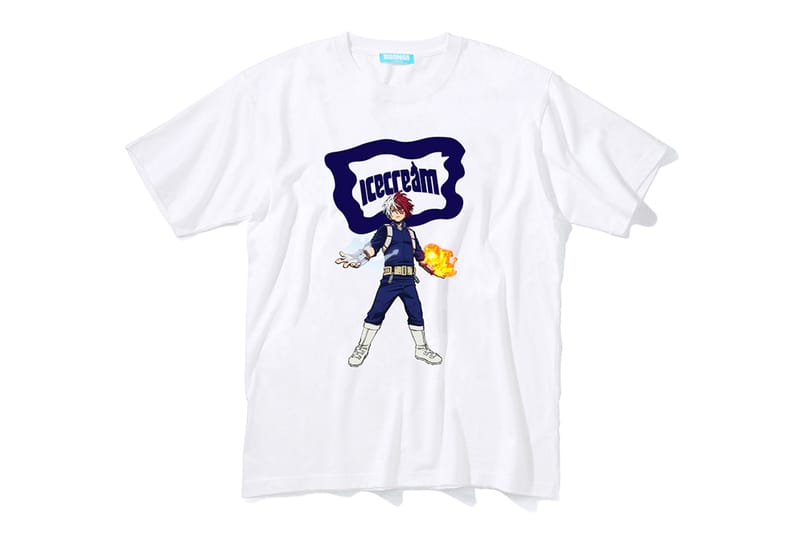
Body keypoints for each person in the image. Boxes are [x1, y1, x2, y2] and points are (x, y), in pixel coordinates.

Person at [336, 191, 444, 367]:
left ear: (406, 211)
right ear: (389, 212)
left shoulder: (411, 234)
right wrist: (358, 258)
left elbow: (420, 257)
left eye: (401, 209)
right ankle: (362, 347)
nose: (397, 213)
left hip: (409, 281)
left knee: (416, 313)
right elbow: (372, 248)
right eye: (394, 210)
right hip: (390, 280)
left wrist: (434, 270)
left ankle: (421, 348)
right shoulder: (385, 230)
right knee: (376, 312)